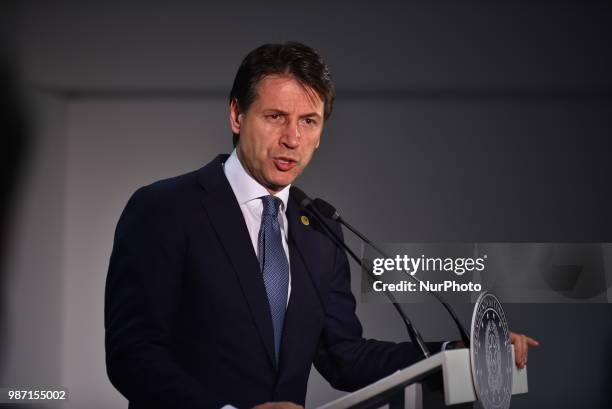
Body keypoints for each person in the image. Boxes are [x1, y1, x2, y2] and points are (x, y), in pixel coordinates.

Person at [104, 42, 537, 409]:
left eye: (308, 122)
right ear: (237, 116)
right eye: (275, 117)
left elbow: (343, 357)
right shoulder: (164, 208)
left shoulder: (319, 230)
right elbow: (132, 354)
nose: (292, 138)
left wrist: (452, 354)